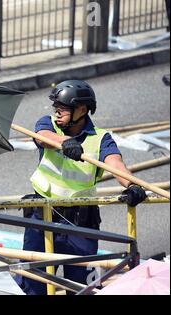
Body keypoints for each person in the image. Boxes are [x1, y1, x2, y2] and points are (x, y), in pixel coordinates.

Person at [20, 80, 147, 295]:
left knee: (81, 289)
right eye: (56, 108)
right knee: (32, 285)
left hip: (81, 225)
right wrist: (64, 142)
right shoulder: (49, 124)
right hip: (41, 218)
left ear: (81, 110)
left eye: (62, 109)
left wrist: (133, 185)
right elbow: (43, 137)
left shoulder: (101, 139)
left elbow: (115, 163)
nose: (57, 113)